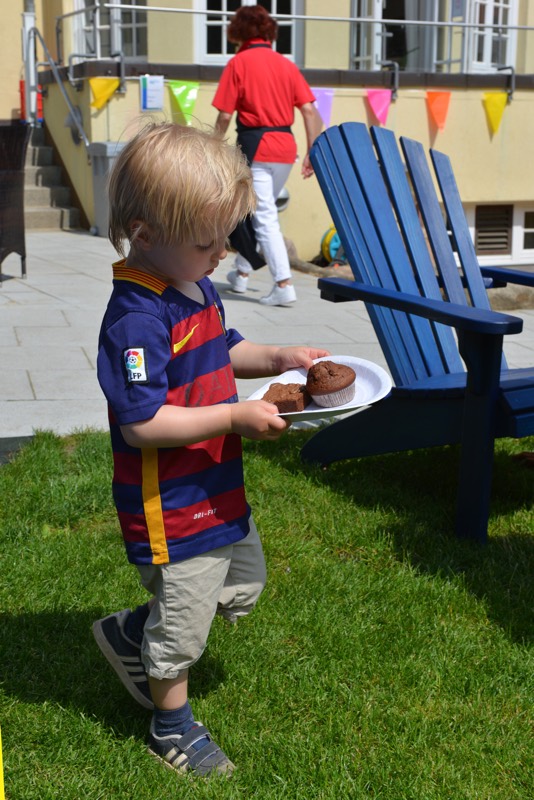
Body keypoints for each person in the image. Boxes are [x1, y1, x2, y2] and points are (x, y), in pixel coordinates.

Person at [92, 121, 330, 778]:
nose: (222, 252)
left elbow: (224, 349)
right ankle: (171, 727)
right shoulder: (137, 318)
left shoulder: (192, 284)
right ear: (145, 234)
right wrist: (231, 416)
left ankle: (133, 630)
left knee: (243, 587)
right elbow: (141, 423)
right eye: (207, 242)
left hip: (214, 484)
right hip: (171, 502)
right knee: (186, 630)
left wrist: (275, 357)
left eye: (224, 236)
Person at [213, 4, 323, 307]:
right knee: (253, 210)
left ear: (238, 31)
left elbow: (224, 116)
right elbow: (311, 110)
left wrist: (212, 146)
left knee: (263, 217)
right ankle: (242, 274)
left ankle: (283, 283)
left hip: (256, 145)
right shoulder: (286, 65)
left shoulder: (238, 63)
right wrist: (313, 151)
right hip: (285, 147)